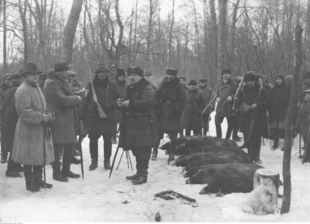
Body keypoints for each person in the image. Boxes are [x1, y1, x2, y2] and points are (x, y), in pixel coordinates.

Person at [11, 62, 55, 192]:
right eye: (32, 75)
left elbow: (41, 107)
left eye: (36, 74)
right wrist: (41, 116)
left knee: (38, 155)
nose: (35, 77)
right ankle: (29, 182)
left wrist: (47, 114)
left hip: (39, 128)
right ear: (25, 76)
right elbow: (23, 112)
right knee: (28, 156)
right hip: (28, 130)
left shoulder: (36, 87)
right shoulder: (23, 90)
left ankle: (38, 179)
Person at [117, 67, 157, 184]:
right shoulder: (131, 88)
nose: (131, 77)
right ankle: (139, 172)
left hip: (143, 122)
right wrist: (121, 102)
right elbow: (128, 100)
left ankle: (143, 175)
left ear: (141, 76)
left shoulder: (146, 87)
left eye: (134, 75)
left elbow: (149, 102)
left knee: (143, 148)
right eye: (129, 75)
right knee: (136, 147)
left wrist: (131, 103)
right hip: (133, 122)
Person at [44, 62, 82, 182]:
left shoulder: (63, 80)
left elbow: (67, 96)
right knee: (57, 145)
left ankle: (66, 170)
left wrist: (75, 95)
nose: (67, 73)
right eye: (65, 71)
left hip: (68, 117)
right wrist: (77, 98)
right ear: (59, 72)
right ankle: (56, 173)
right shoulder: (50, 83)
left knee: (70, 144)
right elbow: (61, 100)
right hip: (58, 117)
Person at [80, 65, 120, 171]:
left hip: (108, 116)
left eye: (104, 73)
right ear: (97, 74)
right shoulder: (90, 84)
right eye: (100, 73)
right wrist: (82, 115)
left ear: (107, 74)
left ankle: (107, 161)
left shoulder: (112, 85)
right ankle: (94, 161)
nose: (102, 75)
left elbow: (118, 99)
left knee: (107, 140)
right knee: (93, 140)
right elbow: (85, 100)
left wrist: (110, 104)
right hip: (93, 117)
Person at [236, 72, 270, 164]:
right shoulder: (242, 91)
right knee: (248, 137)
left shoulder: (262, 90)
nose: (250, 83)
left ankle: (257, 156)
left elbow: (267, 101)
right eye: (248, 81)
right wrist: (237, 100)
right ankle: (250, 155)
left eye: (252, 81)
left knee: (257, 137)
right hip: (246, 116)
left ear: (255, 81)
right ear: (245, 82)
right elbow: (239, 102)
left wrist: (257, 105)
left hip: (258, 116)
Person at [155, 68, 186, 162]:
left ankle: (172, 153)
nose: (169, 76)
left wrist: (178, 109)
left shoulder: (179, 85)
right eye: (168, 74)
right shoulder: (163, 83)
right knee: (158, 133)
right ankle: (154, 151)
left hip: (173, 111)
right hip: (162, 110)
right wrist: (156, 104)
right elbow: (157, 95)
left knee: (173, 134)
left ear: (175, 76)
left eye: (172, 75)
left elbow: (182, 98)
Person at [3, 70, 25, 177]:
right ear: (16, 80)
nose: (22, 80)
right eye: (20, 78)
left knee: (15, 143)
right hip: (13, 119)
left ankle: (16, 165)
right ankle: (10, 169)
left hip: (9, 118)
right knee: (14, 144)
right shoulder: (16, 90)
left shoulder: (9, 89)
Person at [215, 69, 237, 139]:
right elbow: (216, 94)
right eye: (224, 74)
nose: (225, 75)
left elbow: (239, 95)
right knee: (217, 121)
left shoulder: (234, 84)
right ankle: (219, 138)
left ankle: (227, 138)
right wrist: (217, 98)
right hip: (220, 107)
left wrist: (232, 97)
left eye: (227, 74)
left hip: (229, 107)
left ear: (230, 75)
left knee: (230, 124)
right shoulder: (220, 85)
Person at [269, 75, 290, 150]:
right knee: (274, 129)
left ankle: (286, 144)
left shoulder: (286, 89)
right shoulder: (273, 89)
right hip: (274, 111)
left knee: (283, 129)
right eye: (277, 79)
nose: (278, 81)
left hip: (283, 111)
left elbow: (289, 100)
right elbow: (270, 98)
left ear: (282, 80)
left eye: (280, 79)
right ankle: (275, 143)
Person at [0, 73, 14, 163]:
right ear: (4, 80)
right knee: (4, 135)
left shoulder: (12, 89)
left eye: (11, 79)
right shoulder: (1, 90)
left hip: (9, 115)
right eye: (8, 79)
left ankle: (11, 156)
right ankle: (4, 155)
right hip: (2, 115)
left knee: (10, 135)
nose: (10, 81)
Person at [295, 89, 310, 163]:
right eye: (306, 95)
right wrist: (297, 125)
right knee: (305, 139)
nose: (307, 96)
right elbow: (299, 115)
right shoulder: (302, 104)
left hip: (308, 124)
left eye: (309, 95)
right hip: (303, 124)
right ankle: (306, 154)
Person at [114, 68, 127, 144]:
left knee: (123, 122)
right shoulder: (114, 84)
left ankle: (122, 138)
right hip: (116, 106)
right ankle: (113, 136)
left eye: (122, 76)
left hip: (124, 105)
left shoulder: (125, 84)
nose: (121, 78)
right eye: (119, 76)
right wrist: (116, 101)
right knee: (115, 122)